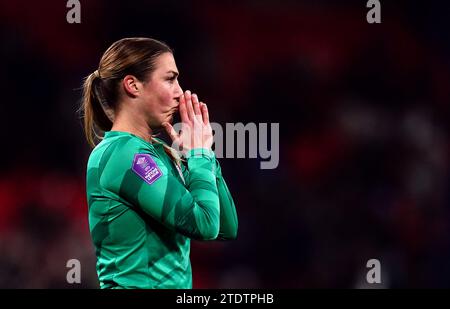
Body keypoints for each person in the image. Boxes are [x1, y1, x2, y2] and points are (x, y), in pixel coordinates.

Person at [80, 37, 238, 289]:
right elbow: (206, 225)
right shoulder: (123, 155)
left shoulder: (157, 152)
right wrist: (200, 156)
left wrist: (204, 156)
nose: (179, 92)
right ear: (133, 85)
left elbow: (225, 228)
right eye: (170, 79)